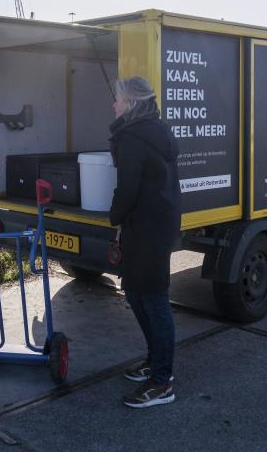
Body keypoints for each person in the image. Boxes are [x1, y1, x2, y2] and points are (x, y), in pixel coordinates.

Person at [108, 76, 181, 408]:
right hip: (155, 224)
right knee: (136, 292)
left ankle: (162, 382)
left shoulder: (132, 139)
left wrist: (113, 215)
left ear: (132, 104)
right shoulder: (158, 130)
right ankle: (155, 361)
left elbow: (128, 188)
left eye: (118, 100)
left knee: (152, 298)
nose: (114, 105)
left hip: (147, 227)